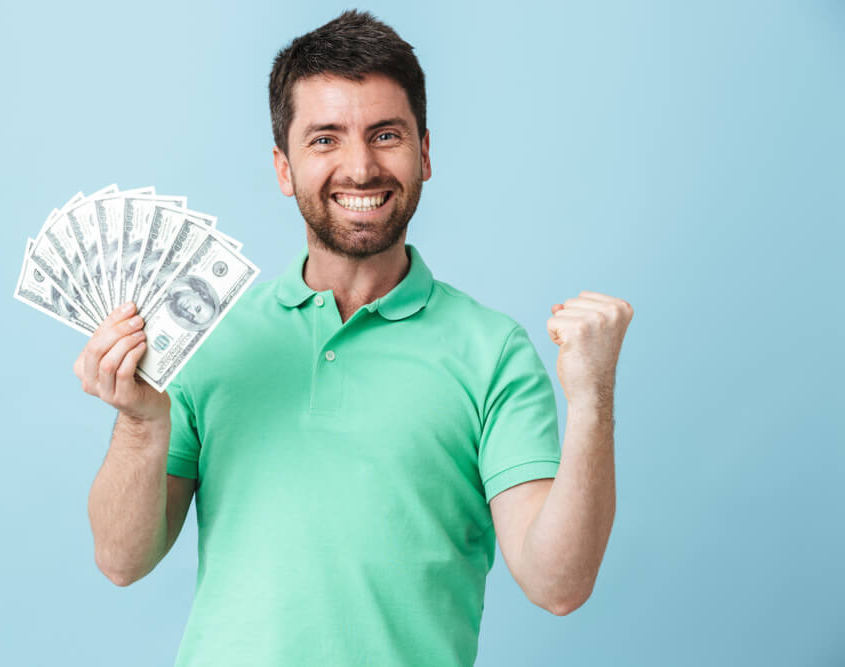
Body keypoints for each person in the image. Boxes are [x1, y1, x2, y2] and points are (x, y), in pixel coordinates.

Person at [78, 10, 633, 666]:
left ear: (425, 152)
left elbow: (558, 584)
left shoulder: (493, 353)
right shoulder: (209, 338)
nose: (361, 166)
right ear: (284, 169)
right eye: (325, 140)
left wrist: (593, 399)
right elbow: (121, 560)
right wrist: (141, 426)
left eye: (385, 134)